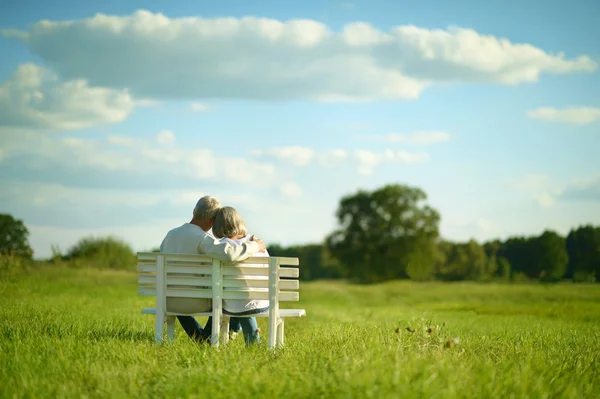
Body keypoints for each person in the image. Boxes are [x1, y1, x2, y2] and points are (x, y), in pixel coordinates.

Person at [159, 195, 266, 343]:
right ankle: (216, 335)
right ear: (212, 220)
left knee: (182, 303)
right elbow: (229, 254)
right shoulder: (203, 238)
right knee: (230, 292)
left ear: (194, 211)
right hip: (197, 301)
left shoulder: (170, 235)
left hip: (169, 300)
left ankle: (200, 337)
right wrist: (255, 245)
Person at [210, 206, 270, 345]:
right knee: (242, 298)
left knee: (237, 300)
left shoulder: (222, 247)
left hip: (235, 303)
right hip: (262, 301)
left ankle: (252, 342)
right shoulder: (257, 244)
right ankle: (237, 331)